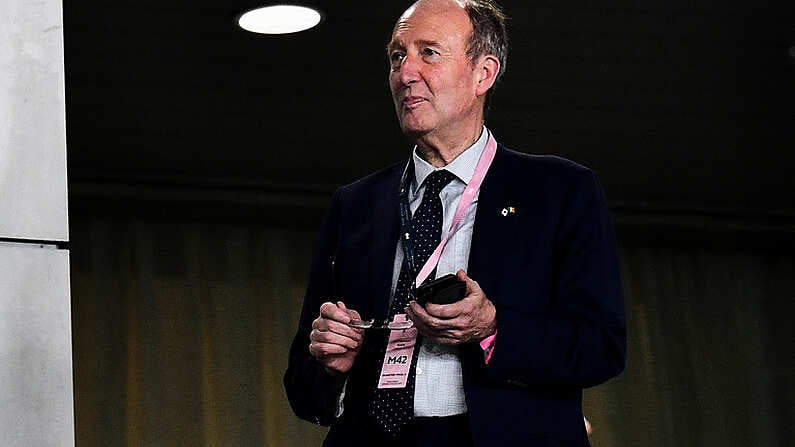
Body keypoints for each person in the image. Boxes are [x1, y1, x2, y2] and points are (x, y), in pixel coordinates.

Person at [284, 1, 626, 445]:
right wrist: (330, 363)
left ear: (483, 73)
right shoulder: (354, 204)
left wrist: (492, 329)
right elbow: (304, 390)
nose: (405, 74)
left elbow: (601, 347)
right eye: (396, 56)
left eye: (428, 52)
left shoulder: (560, 190)